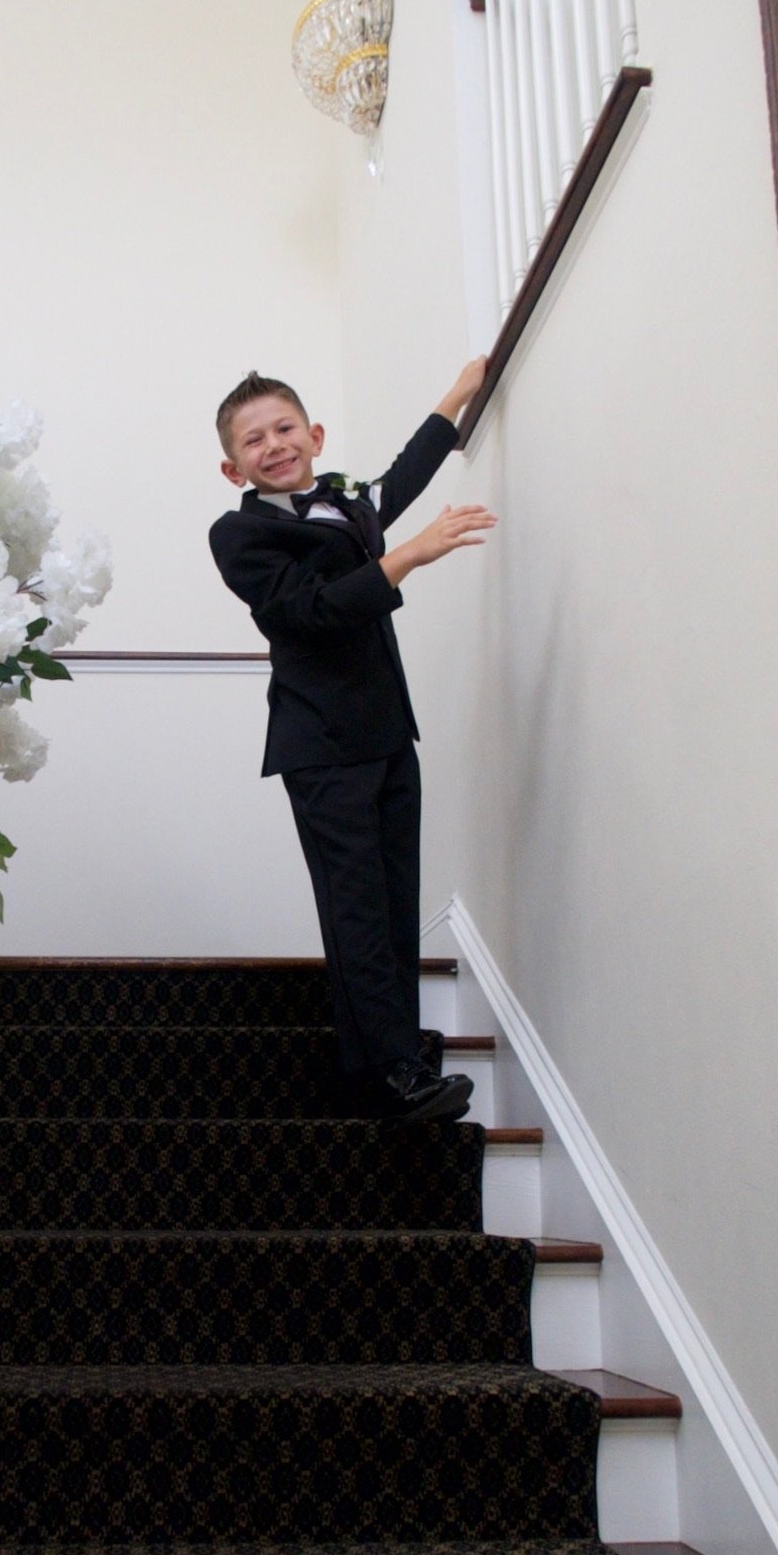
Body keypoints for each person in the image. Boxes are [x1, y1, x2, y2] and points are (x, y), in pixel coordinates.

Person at [208, 361, 494, 1123]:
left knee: (398, 899)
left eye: (284, 428)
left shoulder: (343, 503)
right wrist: (411, 555)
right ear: (233, 465)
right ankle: (396, 1073)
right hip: (320, 745)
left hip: (388, 731)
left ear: (314, 434)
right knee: (358, 908)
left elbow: (399, 482)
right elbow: (312, 612)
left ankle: (388, 1055)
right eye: (254, 439)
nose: (274, 445)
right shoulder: (240, 534)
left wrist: (460, 393)